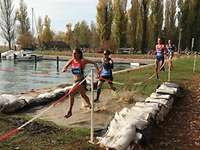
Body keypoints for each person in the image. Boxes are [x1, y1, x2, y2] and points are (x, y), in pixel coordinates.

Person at [62, 48, 99, 118]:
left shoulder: (83, 61)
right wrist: (64, 68)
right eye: (73, 53)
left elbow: (94, 63)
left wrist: (98, 71)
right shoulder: (72, 60)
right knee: (83, 95)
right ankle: (91, 106)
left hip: (81, 81)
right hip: (75, 81)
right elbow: (66, 65)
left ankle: (69, 111)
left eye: (75, 53)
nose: (73, 54)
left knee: (71, 93)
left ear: (79, 54)